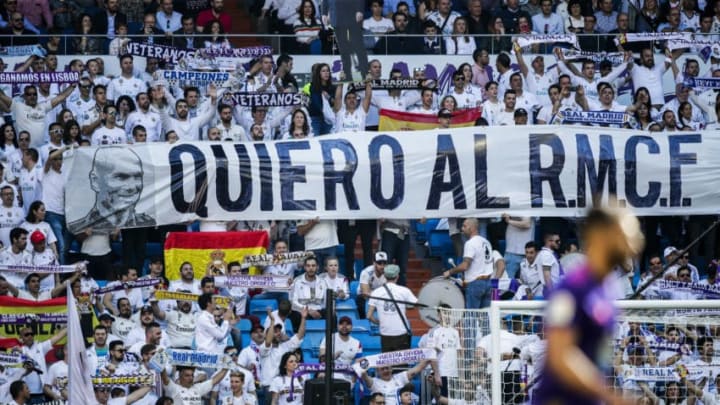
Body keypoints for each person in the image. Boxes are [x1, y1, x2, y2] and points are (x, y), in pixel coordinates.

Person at [535, 204, 645, 404]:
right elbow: (560, 355)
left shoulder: (608, 287)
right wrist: (610, 396)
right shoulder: (571, 289)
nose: (635, 240)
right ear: (600, 236)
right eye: (627, 232)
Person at [67, 146, 155, 234]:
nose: (132, 187)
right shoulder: (78, 229)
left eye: (137, 176)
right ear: (95, 181)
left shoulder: (149, 224)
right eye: (121, 177)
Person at [443, 218, 497, 308]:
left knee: (472, 317)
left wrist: (450, 272)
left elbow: (465, 266)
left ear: (472, 228)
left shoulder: (470, 243)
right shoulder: (486, 242)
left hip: (475, 283)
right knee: (486, 317)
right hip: (488, 282)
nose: (462, 229)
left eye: (464, 226)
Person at [367, 264, 417, 352]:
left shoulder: (376, 292)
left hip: (385, 334)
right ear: (397, 276)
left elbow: (369, 316)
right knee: (402, 365)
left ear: (385, 276)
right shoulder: (404, 291)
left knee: (387, 365)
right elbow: (415, 304)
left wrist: (378, 322)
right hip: (401, 333)